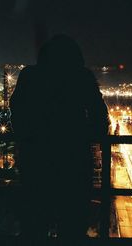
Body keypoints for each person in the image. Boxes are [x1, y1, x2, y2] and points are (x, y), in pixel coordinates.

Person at [10, 34, 110, 245]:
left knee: (34, 224)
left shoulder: (29, 76)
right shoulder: (81, 77)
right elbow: (99, 115)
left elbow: (17, 110)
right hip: (74, 160)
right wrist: (88, 136)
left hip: (35, 159)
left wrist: (26, 137)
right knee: (72, 225)